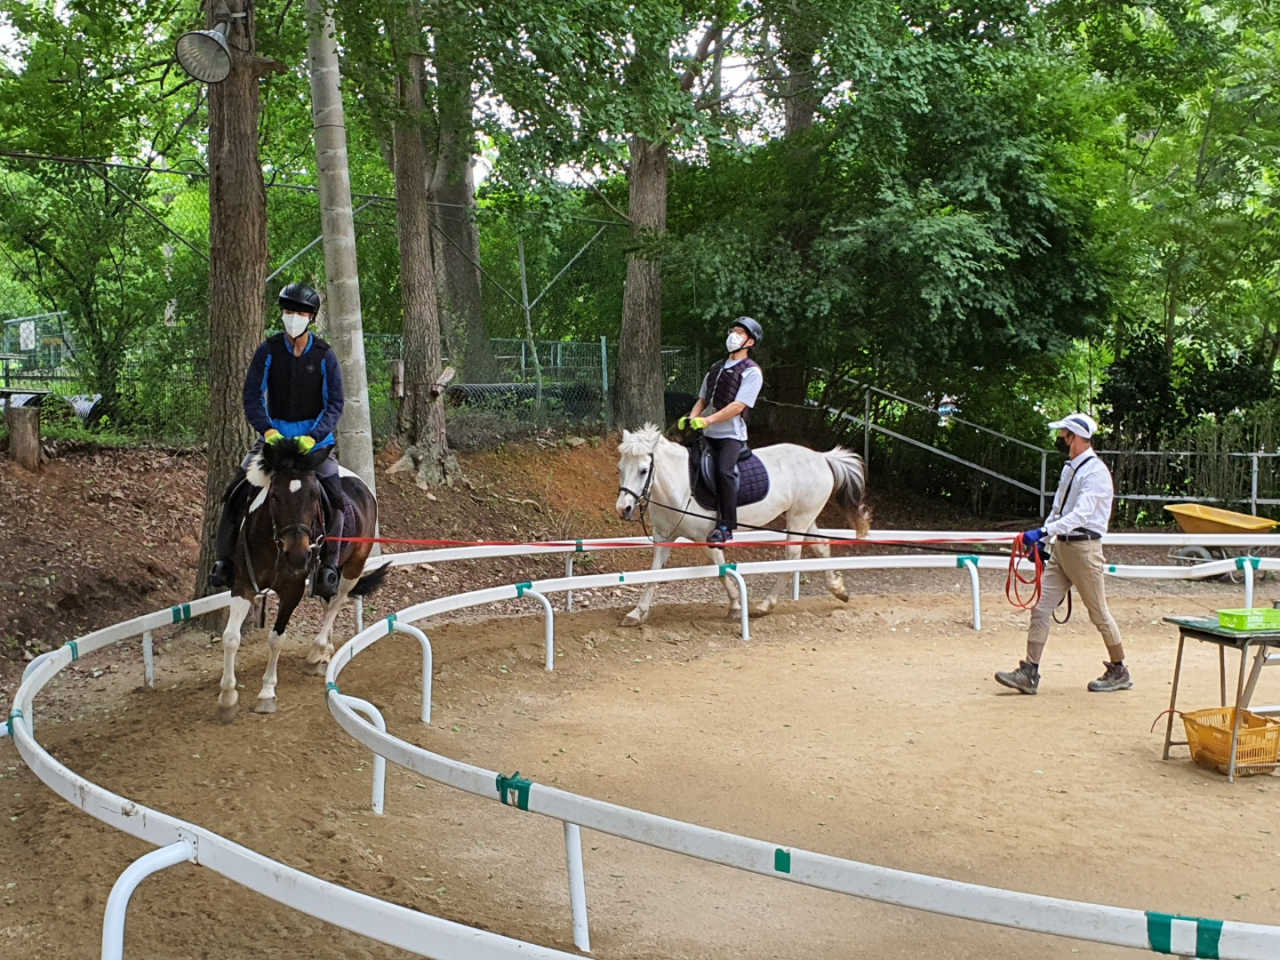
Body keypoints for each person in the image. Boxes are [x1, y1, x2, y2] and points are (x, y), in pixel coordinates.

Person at [208, 282, 347, 599]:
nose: (293, 317)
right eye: (288, 311)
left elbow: (335, 404)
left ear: (311, 318)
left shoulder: (325, 356)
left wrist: (313, 437)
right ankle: (223, 564)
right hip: (273, 445)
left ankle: (329, 567)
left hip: (315, 446)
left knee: (336, 499)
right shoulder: (267, 351)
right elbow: (251, 398)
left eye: (299, 312)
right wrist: (268, 431)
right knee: (235, 492)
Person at [995, 412, 1131, 695]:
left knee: (1099, 613)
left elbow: (1081, 515)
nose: (1061, 440)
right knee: (1041, 607)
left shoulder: (1096, 474)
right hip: (1062, 548)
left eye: (1065, 435)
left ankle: (1119, 669)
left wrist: (1043, 534)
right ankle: (1029, 671)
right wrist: (1043, 546)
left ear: (1077, 437)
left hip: (1084, 549)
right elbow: (1059, 510)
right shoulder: (1070, 468)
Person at [677, 317, 764, 544]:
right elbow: (703, 399)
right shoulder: (715, 368)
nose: (733, 335)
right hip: (708, 434)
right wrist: (691, 418)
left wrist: (707, 421)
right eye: (733, 330)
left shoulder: (752, 372)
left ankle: (727, 526)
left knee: (724, 472)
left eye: (740, 333)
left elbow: (738, 406)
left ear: (750, 342)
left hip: (730, 435)